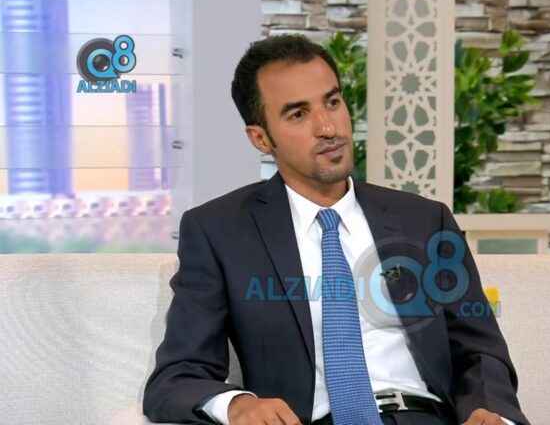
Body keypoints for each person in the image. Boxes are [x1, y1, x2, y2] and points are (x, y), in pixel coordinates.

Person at [143, 34, 529, 425]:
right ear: (260, 137)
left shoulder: (426, 220)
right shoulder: (219, 232)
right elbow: (176, 377)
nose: (328, 127)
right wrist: (238, 405)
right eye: (298, 114)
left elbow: (480, 352)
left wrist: (491, 414)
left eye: (332, 102)